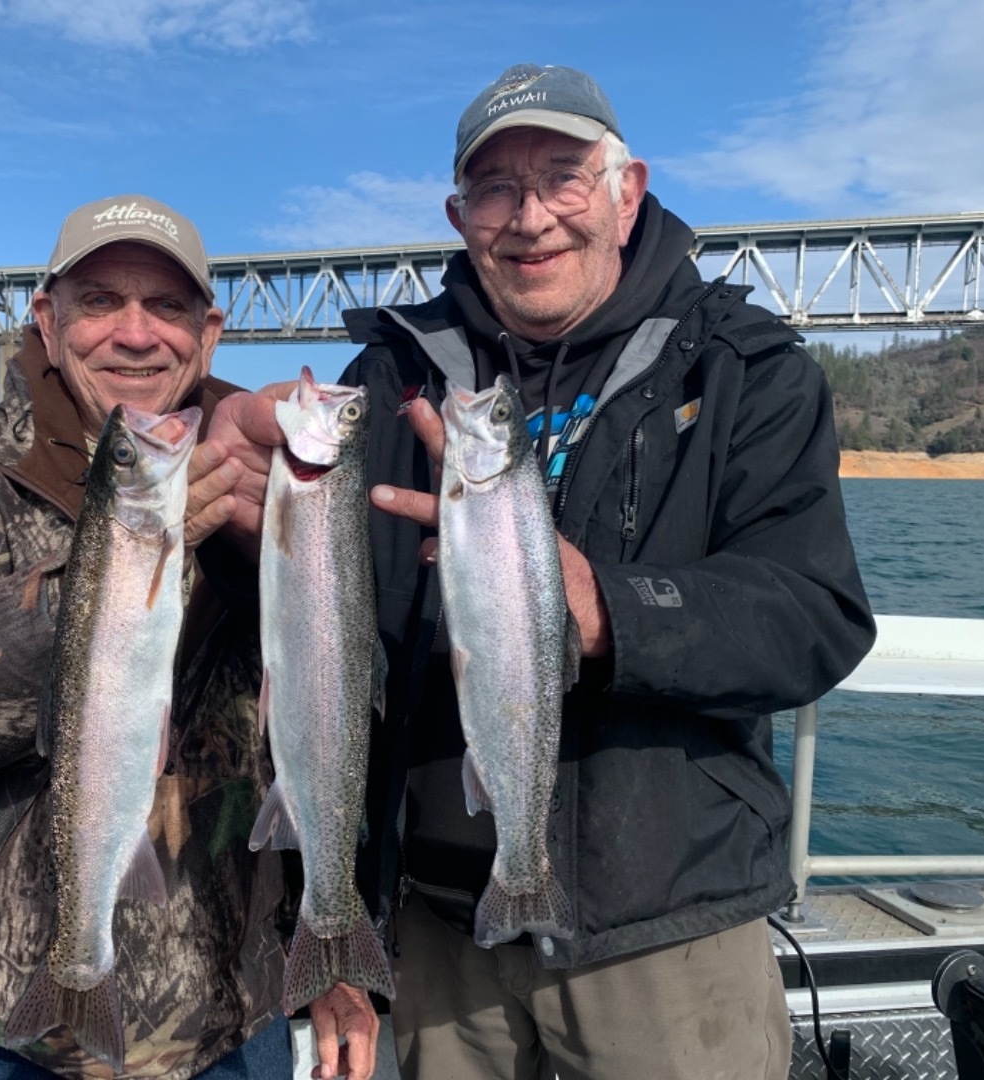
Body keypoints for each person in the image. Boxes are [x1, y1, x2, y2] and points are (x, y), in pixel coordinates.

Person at [208, 64, 876, 1079]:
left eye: (562, 176)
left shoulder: (744, 371)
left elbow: (814, 616)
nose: (530, 218)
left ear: (627, 189)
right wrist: (339, 922)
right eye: (495, 189)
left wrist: (608, 611)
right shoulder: (388, 384)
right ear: (458, 213)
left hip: (672, 938)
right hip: (438, 936)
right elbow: (331, 677)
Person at [0, 194, 377, 1080]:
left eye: (166, 307)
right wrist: (104, 574)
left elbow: (334, 715)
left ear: (210, 332)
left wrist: (331, 948)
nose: (134, 333)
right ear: (47, 319)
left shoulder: (278, 487)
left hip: (227, 1019)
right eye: (99, 302)